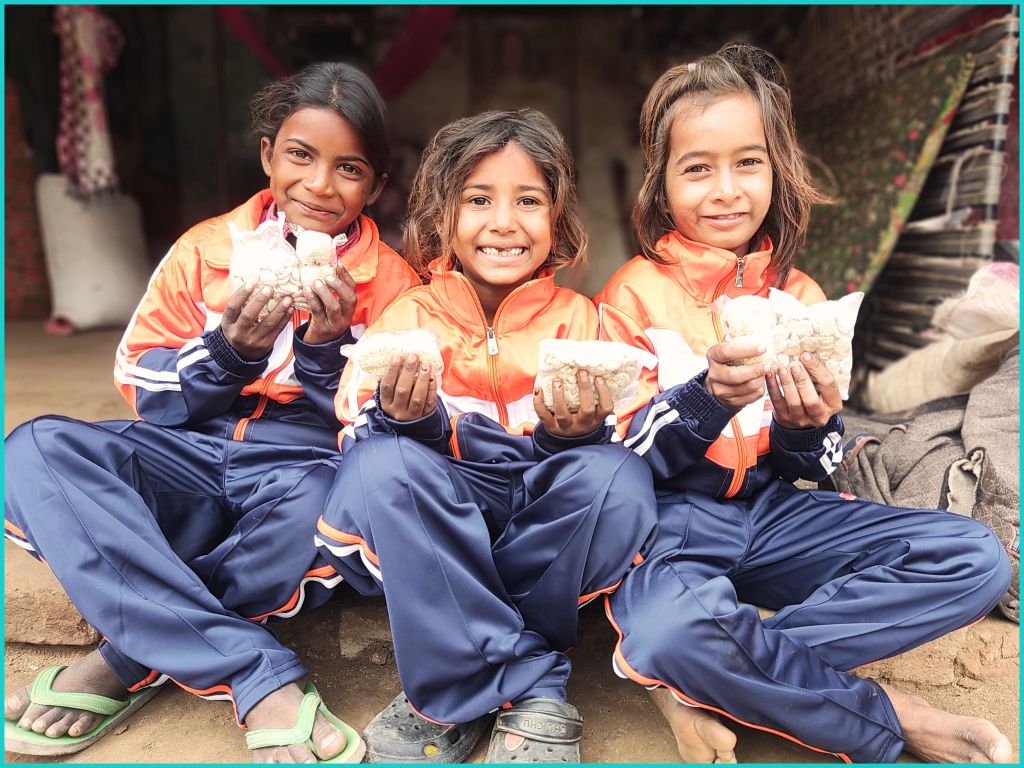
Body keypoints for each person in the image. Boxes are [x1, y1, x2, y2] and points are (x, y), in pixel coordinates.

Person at [595, 43, 1013, 764]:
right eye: (698, 168)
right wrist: (701, 402)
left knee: (975, 558)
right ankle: (888, 715)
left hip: (772, 515)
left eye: (747, 162)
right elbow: (616, 463)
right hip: (668, 530)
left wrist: (808, 423)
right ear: (661, 185)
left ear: (776, 169)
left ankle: (704, 678)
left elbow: (814, 468)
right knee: (668, 628)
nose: (726, 189)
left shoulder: (802, 298)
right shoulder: (631, 295)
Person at [3, 62, 420, 763]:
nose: (320, 185)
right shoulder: (206, 249)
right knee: (34, 451)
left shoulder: (395, 282)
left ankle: (129, 656)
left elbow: (383, 432)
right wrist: (227, 353)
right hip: (188, 454)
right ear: (267, 156)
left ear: (377, 185)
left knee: (337, 499)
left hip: (297, 471)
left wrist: (323, 355)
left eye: (349, 168)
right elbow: (138, 379)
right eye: (300, 155)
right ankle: (249, 666)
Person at [313, 109, 659, 764]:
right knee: (379, 465)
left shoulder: (584, 320)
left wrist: (571, 439)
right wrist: (413, 423)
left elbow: (632, 420)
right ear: (443, 217)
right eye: (479, 200)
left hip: (541, 532)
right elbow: (354, 425)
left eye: (528, 201)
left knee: (620, 476)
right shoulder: (408, 316)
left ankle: (455, 688)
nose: (503, 222)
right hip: (439, 531)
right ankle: (528, 684)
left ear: (557, 218)